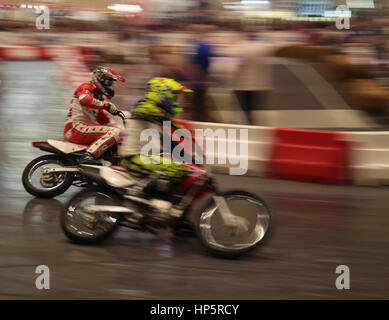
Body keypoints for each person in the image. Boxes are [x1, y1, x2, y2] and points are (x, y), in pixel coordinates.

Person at [119, 77, 193, 191]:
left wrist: (191, 159)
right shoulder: (145, 107)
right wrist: (171, 123)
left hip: (147, 156)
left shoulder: (158, 114)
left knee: (185, 168)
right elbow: (144, 112)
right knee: (176, 170)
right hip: (134, 157)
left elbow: (171, 142)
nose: (176, 102)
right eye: (174, 97)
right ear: (163, 94)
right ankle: (144, 198)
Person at [64, 66, 126, 163]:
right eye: (109, 83)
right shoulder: (85, 87)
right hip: (76, 128)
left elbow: (103, 119)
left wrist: (123, 128)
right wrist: (105, 105)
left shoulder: (98, 97)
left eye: (112, 84)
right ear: (100, 79)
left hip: (83, 129)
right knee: (115, 132)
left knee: (118, 132)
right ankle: (89, 155)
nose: (111, 87)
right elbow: (84, 99)